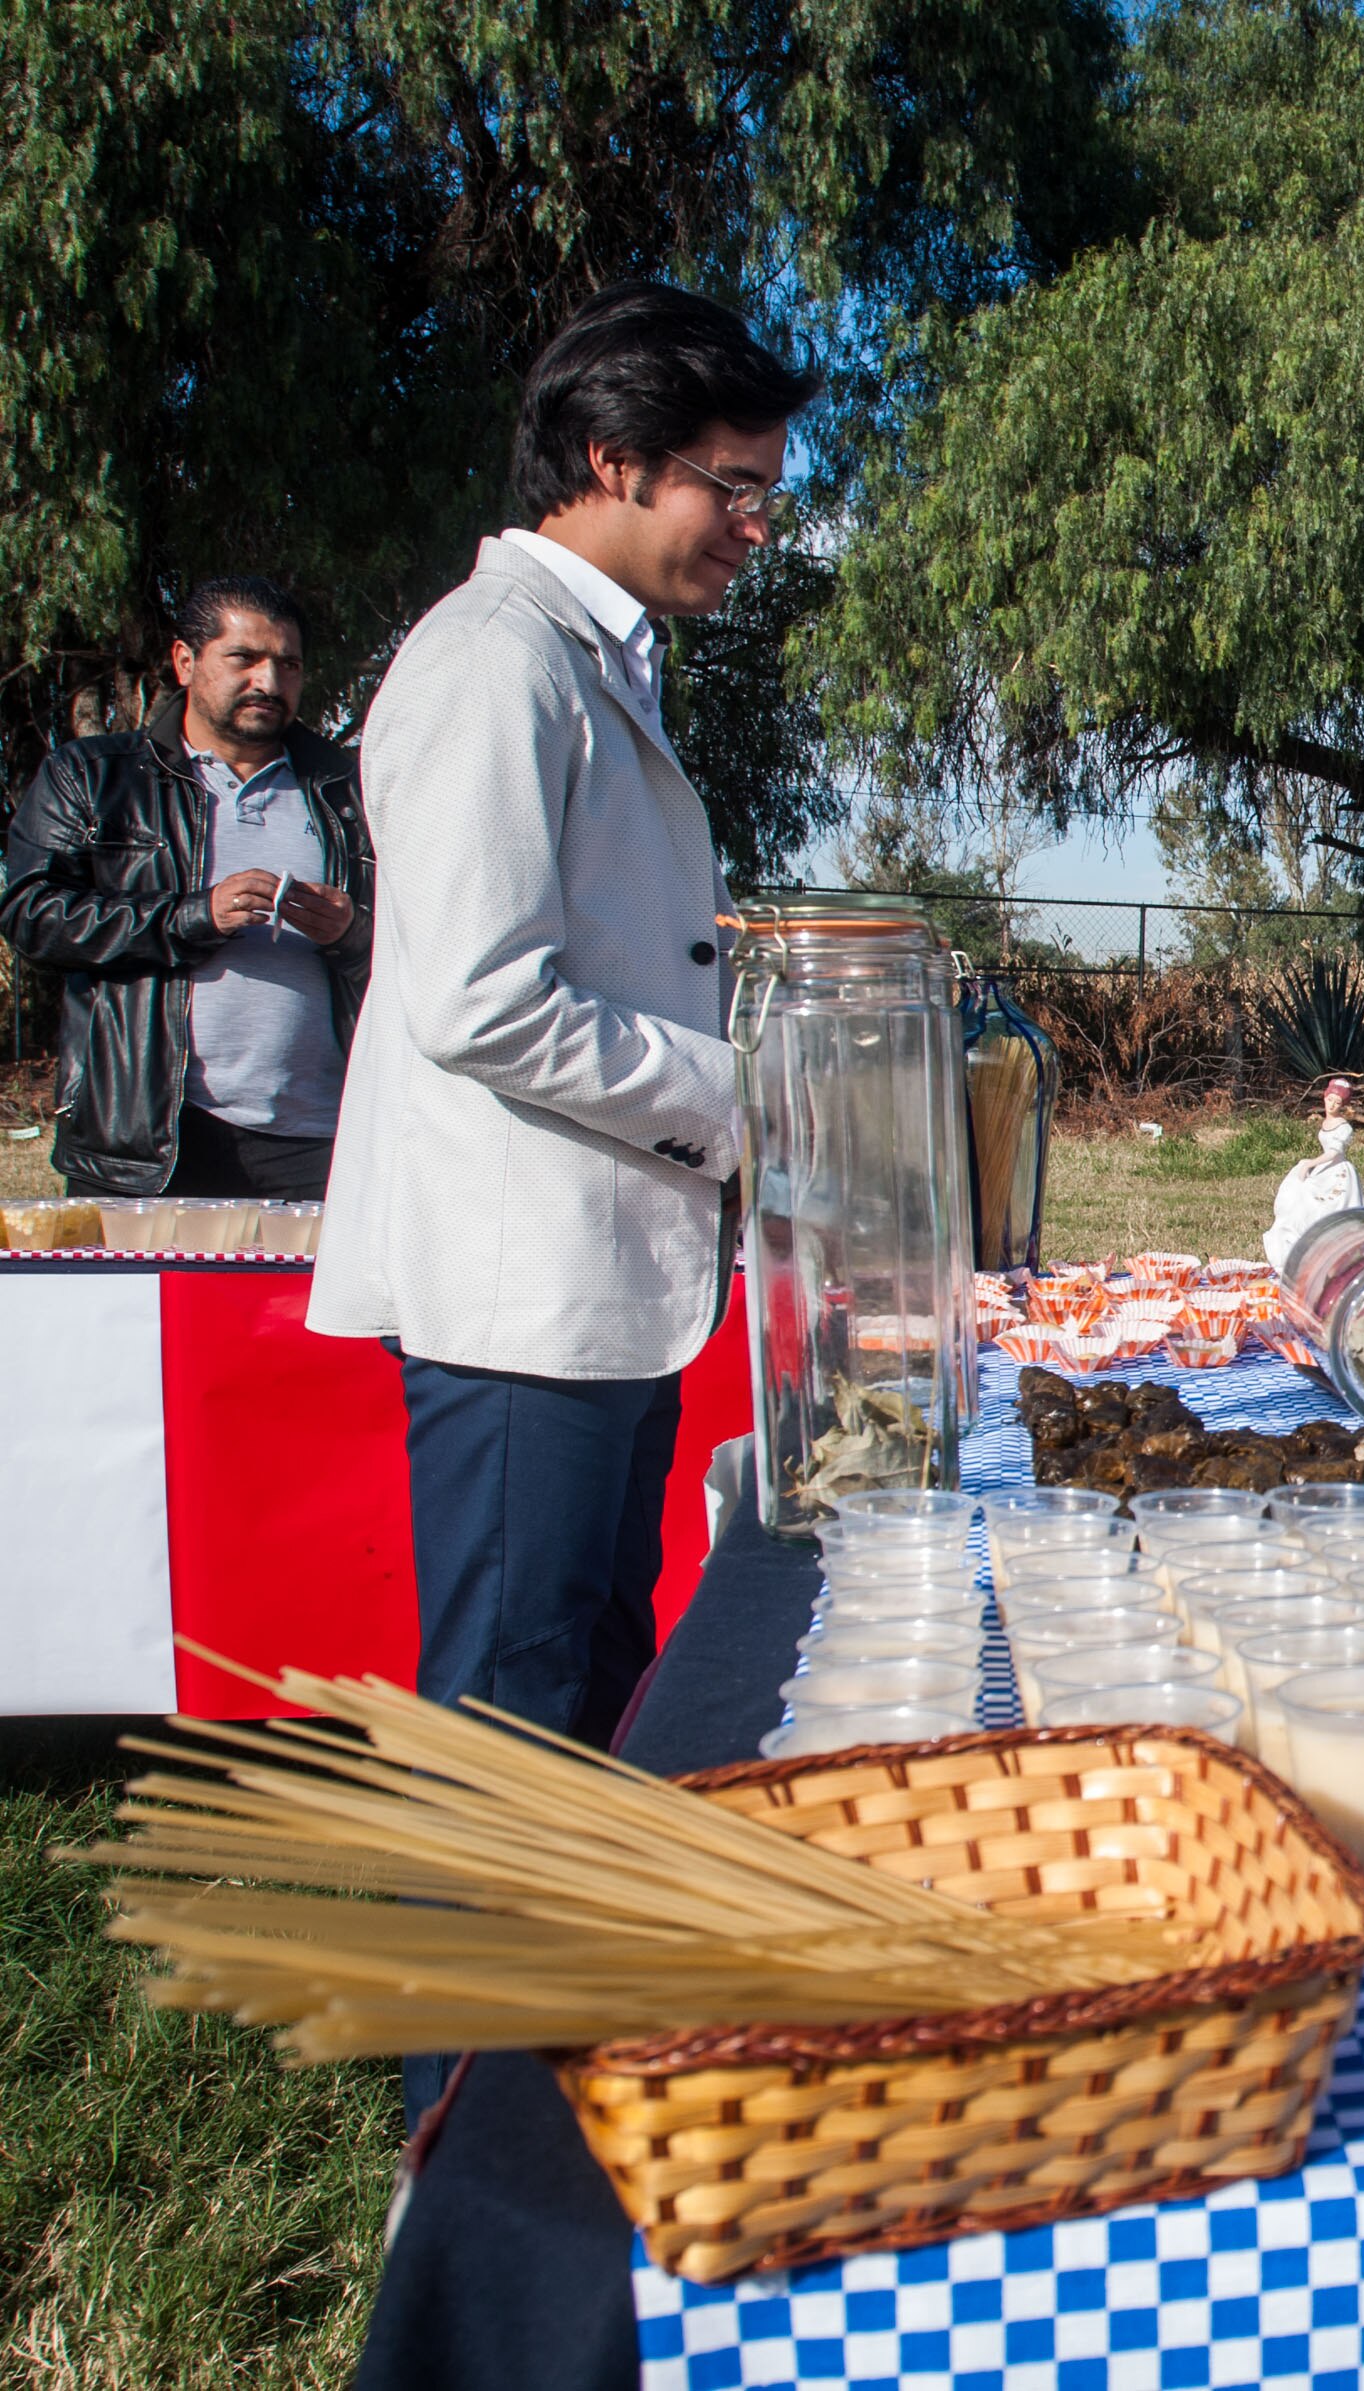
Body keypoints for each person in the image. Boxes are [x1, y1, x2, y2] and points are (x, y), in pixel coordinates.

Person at [310, 282, 817, 1795]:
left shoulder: (596, 656)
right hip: (522, 1293)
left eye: (768, 493)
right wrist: (748, 1098)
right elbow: (479, 993)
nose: (756, 525)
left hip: (601, 1278)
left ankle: (578, 2032)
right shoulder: (495, 659)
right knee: (509, 1735)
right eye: (732, 486)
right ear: (611, 456)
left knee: (592, 1685)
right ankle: (469, 2042)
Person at [2, 578, 369, 1200]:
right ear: (184, 661)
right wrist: (195, 916)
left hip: (331, 1136)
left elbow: (432, 935)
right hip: (150, 1139)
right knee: (146, 1304)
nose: (269, 681)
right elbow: (33, 916)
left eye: (288, 664)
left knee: (305, 1305)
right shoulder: (95, 775)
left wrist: (354, 932)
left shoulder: (355, 788)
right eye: (244, 658)